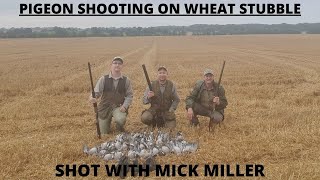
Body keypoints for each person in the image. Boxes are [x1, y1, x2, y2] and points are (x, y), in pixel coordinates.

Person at [89, 57, 133, 134]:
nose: (117, 65)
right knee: (103, 133)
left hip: (118, 106)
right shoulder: (103, 79)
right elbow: (96, 93)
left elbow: (129, 95)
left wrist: (125, 106)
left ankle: (119, 127)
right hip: (105, 107)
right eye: (115, 63)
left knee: (120, 119)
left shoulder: (126, 80)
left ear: (122, 66)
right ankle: (106, 123)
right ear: (111, 65)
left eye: (119, 64)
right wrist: (93, 98)